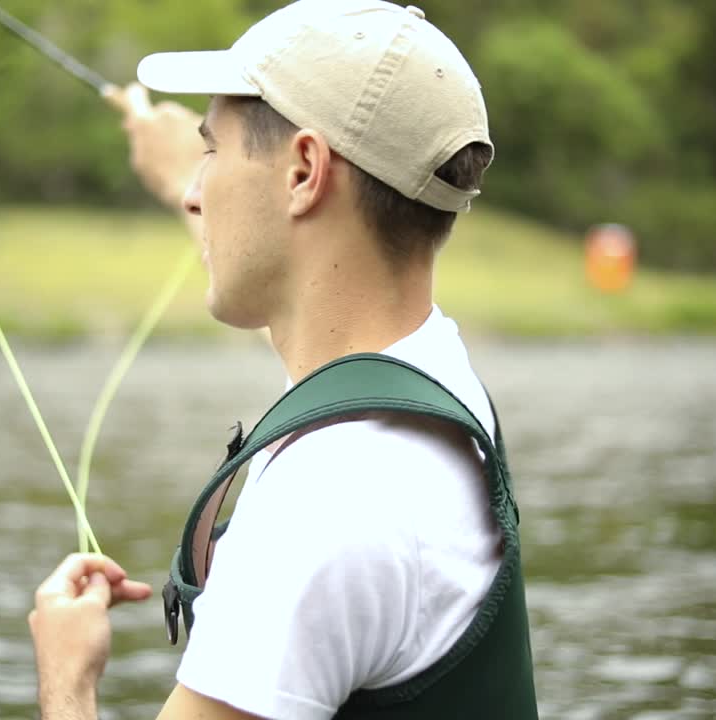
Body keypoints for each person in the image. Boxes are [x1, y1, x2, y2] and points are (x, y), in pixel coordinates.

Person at [27, 1, 537, 718]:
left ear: (304, 171)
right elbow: (296, 288)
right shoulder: (429, 371)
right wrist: (184, 173)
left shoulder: (324, 506)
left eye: (216, 151)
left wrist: (67, 677)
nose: (200, 191)